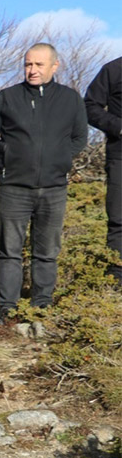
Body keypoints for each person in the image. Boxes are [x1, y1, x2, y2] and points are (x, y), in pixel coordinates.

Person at [0, 43, 88, 324]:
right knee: (10, 250)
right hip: (14, 187)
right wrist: (7, 155)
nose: (32, 70)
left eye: (39, 65)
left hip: (53, 188)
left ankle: (41, 305)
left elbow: (79, 138)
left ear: (55, 65)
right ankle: (7, 306)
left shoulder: (71, 99)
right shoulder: (7, 97)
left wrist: (60, 158)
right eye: (28, 64)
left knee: (47, 252)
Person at [85, 57, 122, 287]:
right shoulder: (114, 69)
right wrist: (118, 126)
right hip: (121, 156)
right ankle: (117, 280)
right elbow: (89, 106)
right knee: (119, 219)